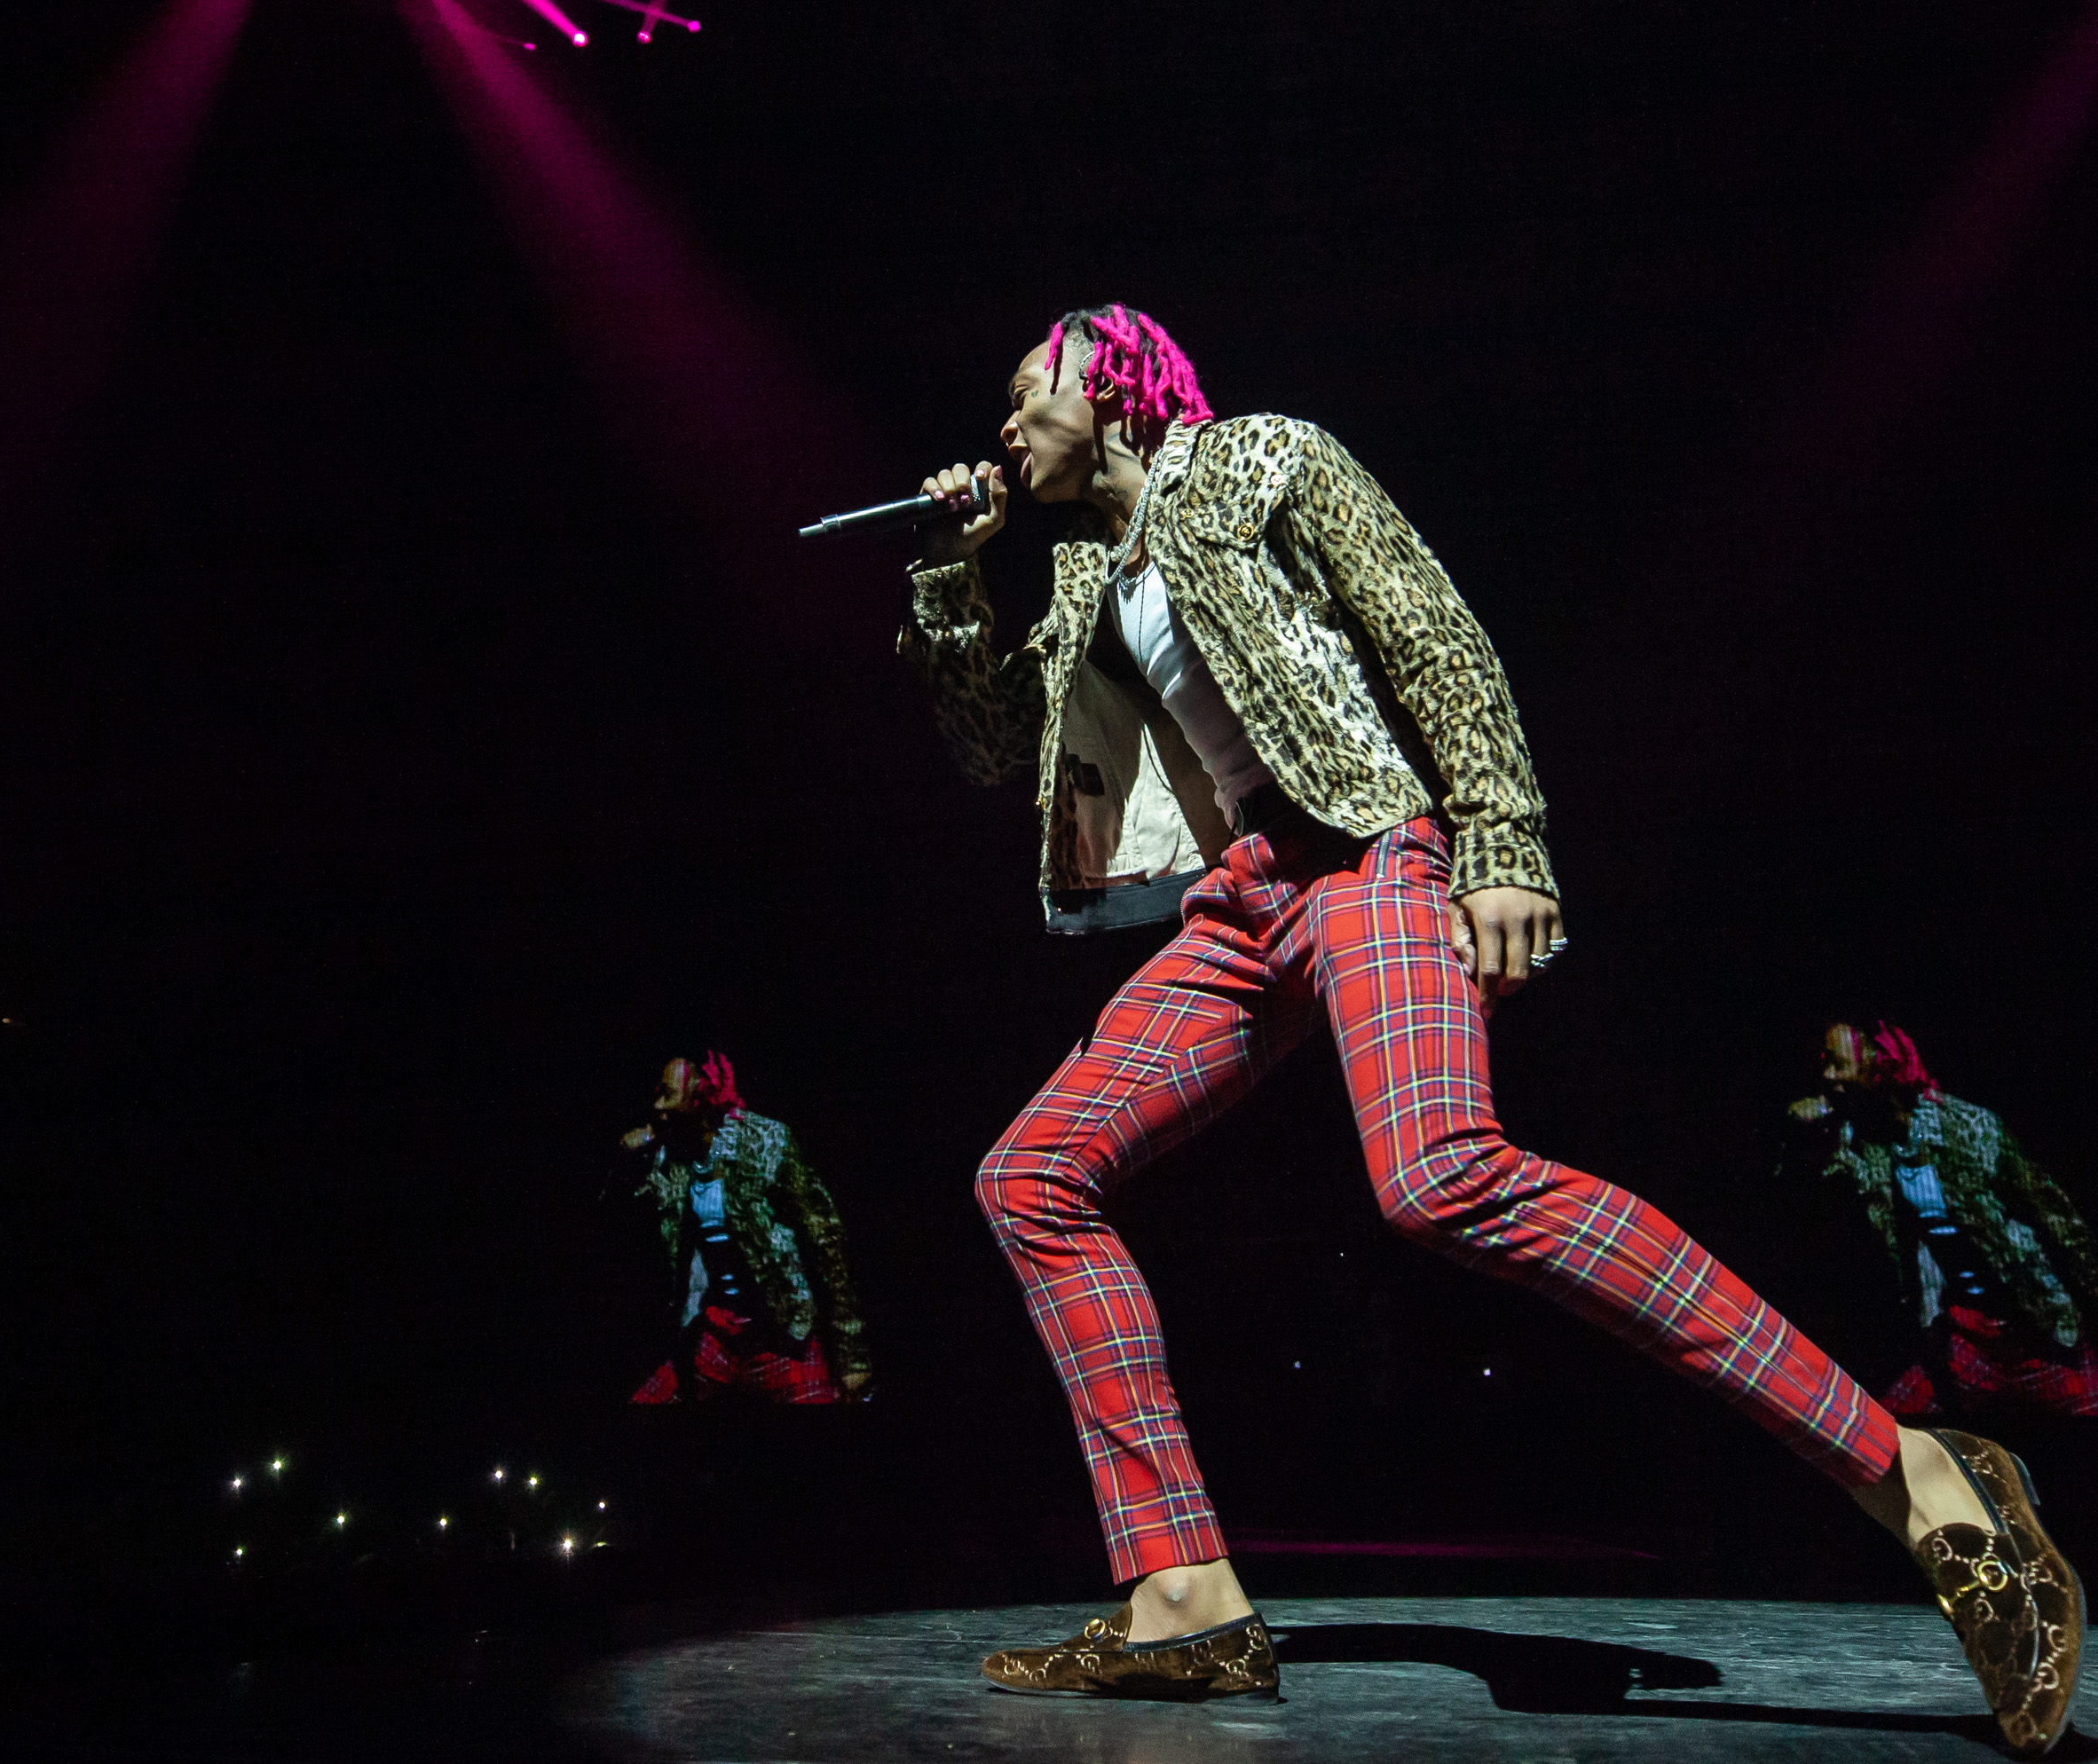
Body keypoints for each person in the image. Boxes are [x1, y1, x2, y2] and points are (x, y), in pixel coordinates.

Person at [891, 303, 2080, 1748]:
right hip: (1241, 902)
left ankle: (1921, 1479)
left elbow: (1424, 622)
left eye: (1031, 392)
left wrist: (1503, 835)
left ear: (1118, 381)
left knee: (1440, 1173)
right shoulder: (1087, 572)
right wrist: (953, 578)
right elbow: (996, 754)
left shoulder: (1266, 456)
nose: (1007, 425)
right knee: (1031, 1177)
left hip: (1366, 853)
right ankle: (1180, 1594)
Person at [1786, 1020, 2098, 1421]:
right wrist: (1803, 1135)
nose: (1827, 1076)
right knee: (1882, 1438)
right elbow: (1816, 1188)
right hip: (1962, 1341)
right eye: (1825, 1064)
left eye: (1839, 1065)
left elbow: (2061, 1222)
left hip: (2037, 1333)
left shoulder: (1969, 1129)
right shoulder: (1861, 1144)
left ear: (1880, 1066)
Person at [620, 1053, 872, 1403]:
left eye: (667, 1094)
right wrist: (637, 1155)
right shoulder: (673, 1154)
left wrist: (852, 1356)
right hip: (716, 1338)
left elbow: (827, 1243)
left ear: (701, 1095)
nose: (657, 1105)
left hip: (782, 1341)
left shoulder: (767, 1141)